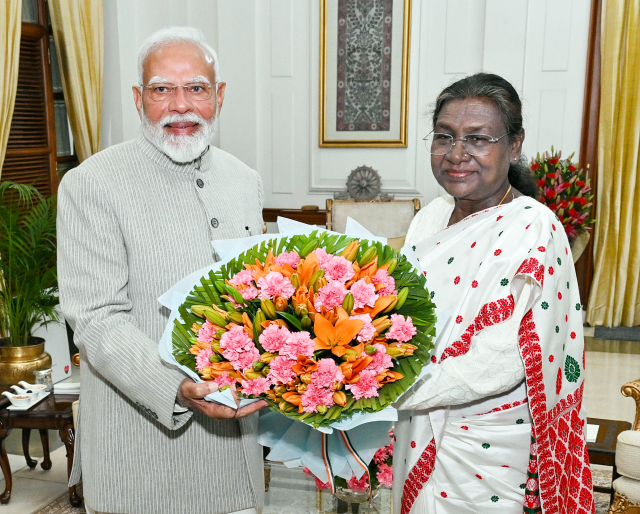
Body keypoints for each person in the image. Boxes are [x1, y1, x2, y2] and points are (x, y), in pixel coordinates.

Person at [57, 27, 267, 514]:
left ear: (219, 95)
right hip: (142, 449)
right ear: (137, 98)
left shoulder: (244, 179)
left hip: (238, 447)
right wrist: (175, 387)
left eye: (196, 87)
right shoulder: (92, 184)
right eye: (161, 89)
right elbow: (95, 317)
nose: (180, 105)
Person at [392, 73, 593, 514]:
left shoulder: (535, 228)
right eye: (444, 137)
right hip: (418, 422)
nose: (456, 155)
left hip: (488, 442)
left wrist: (381, 391)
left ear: (515, 145)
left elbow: (502, 360)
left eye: (478, 139)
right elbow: (397, 316)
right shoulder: (430, 218)